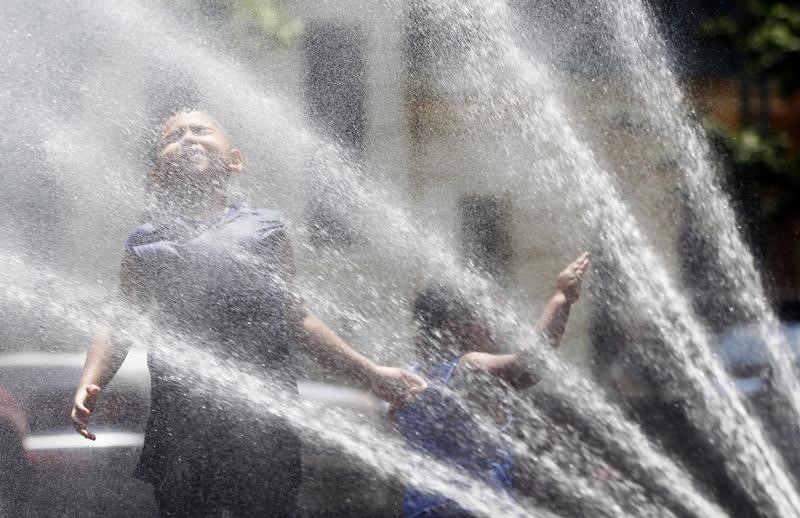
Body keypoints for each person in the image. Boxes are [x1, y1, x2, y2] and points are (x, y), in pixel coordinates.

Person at [70, 109, 426, 517]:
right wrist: (90, 382)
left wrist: (371, 373)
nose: (188, 139)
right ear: (157, 174)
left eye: (201, 131)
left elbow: (296, 319)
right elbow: (121, 321)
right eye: (175, 136)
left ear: (234, 160)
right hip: (180, 430)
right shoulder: (145, 242)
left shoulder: (266, 230)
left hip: (264, 425)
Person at [395, 253, 590, 517]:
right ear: (454, 329)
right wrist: (561, 298)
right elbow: (526, 367)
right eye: (485, 321)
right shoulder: (467, 367)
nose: (493, 330)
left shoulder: (411, 377)